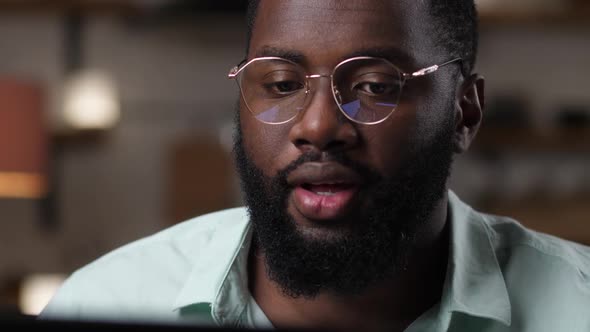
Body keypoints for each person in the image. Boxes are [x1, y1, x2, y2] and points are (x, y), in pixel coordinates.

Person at [41, 1, 590, 331]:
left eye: (375, 86)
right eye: (281, 85)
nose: (319, 126)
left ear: (464, 112)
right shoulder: (103, 304)